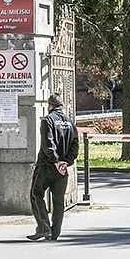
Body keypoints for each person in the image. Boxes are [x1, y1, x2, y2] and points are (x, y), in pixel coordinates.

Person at [28, 93, 78, 241]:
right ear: (61, 105)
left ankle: (44, 228)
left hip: (46, 166)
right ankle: (55, 233)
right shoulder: (70, 123)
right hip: (62, 169)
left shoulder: (47, 120)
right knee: (58, 201)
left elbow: (47, 143)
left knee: (35, 194)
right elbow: (75, 146)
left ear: (49, 106)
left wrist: (55, 160)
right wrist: (66, 162)